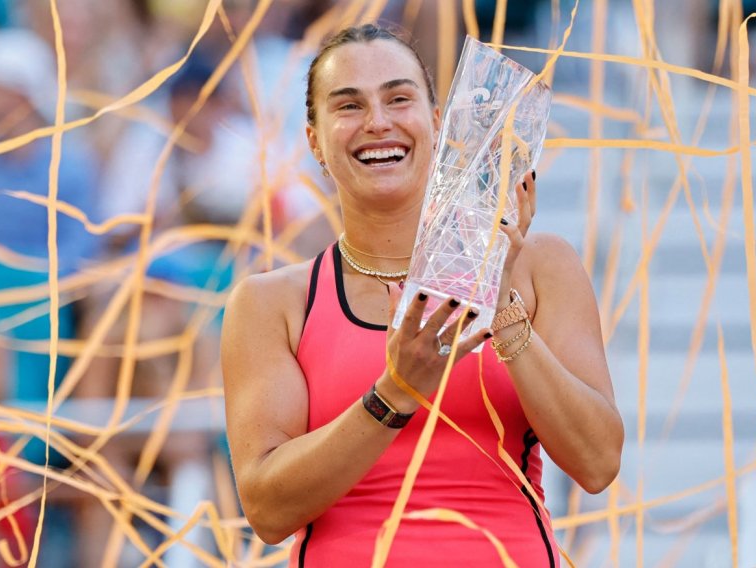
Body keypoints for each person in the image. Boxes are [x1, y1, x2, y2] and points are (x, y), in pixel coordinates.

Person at [221, 24, 623, 566]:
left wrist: (502, 308)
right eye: (349, 105)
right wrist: (395, 393)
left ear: (437, 123)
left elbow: (597, 463)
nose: (378, 122)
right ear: (314, 140)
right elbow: (268, 510)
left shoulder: (537, 265)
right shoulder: (272, 304)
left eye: (398, 98)